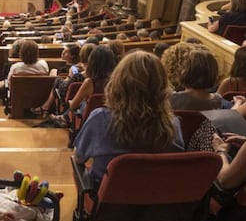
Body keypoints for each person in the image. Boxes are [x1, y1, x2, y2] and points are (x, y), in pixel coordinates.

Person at [73, 51, 185, 189]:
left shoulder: (100, 118)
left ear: (118, 82)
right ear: (162, 86)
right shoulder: (174, 124)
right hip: (157, 200)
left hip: (108, 201)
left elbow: (79, 158)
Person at [48, 45, 117, 127]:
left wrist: (70, 102)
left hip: (89, 120)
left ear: (92, 61)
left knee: (81, 103)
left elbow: (73, 105)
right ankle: (63, 118)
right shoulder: (116, 81)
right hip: (111, 120)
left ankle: (64, 118)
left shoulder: (90, 82)